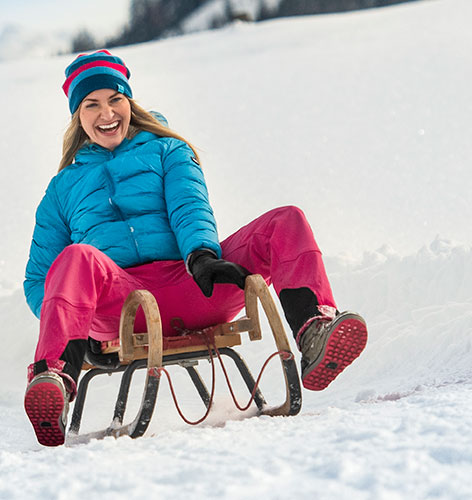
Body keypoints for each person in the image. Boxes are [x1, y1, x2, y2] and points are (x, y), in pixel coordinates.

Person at [22, 50, 367, 447]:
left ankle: (314, 330)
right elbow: (38, 280)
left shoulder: (168, 151)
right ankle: (55, 376)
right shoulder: (61, 189)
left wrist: (202, 255)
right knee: (76, 258)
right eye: (91, 104)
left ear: (129, 102)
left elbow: (189, 205)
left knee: (285, 222)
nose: (106, 113)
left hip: (194, 283)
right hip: (119, 309)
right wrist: (77, 333)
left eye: (115, 99)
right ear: (77, 116)